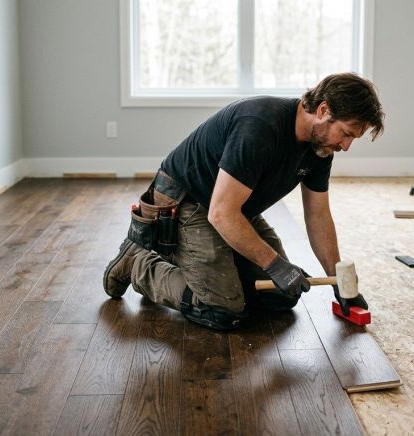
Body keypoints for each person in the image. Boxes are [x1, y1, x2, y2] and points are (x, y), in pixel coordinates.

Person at [103, 72, 385, 330]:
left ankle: (202, 266)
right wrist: (275, 266)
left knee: (280, 297)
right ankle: (140, 262)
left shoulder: (320, 149)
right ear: (324, 110)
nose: (346, 146)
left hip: (231, 209)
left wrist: (339, 281)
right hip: (187, 203)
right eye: (346, 133)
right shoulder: (260, 125)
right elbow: (221, 214)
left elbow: (318, 216)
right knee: (222, 309)